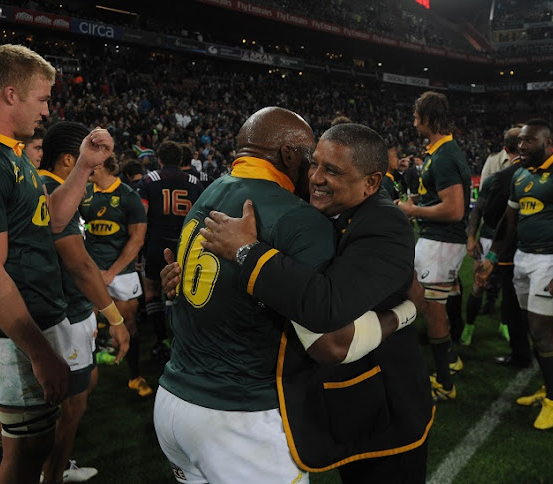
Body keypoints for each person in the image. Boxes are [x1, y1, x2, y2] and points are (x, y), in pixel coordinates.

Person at [153, 108, 416, 483]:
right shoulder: (297, 218)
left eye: (331, 169)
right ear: (291, 154)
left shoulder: (211, 191)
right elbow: (330, 344)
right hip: (240, 416)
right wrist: (406, 313)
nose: (315, 176)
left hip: (173, 400)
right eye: (313, 161)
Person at [0, 44, 113, 483]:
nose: (47, 110)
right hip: (11, 333)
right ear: (11, 94)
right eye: (42, 98)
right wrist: (39, 352)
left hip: (28, 320)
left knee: (35, 444)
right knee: (27, 451)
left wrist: (84, 166)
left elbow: (48, 219)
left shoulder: (5, 153)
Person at [476, 119, 553, 430]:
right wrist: (490, 258)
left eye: (528, 142)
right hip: (523, 258)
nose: (522, 147)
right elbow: (508, 224)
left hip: (551, 260)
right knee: (532, 328)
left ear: (547, 142)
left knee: (542, 330)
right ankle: (549, 388)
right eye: (520, 142)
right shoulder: (522, 174)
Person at [37, 121, 131, 484]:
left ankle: (51, 467)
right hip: (65, 314)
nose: (95, 170)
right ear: (67, 159)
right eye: (89, 161)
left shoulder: (42, 186)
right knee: (70, 408)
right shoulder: (54, 190)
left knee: (77, 389)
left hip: (62, 311)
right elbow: (79, 265)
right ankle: (52, 474)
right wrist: (115, 319)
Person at [396, 91, 471, 400]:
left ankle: (444, 383)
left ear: (426, 118)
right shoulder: (441, 151)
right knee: (432, 303)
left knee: (432, 310)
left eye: (416, 117)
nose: (414, 124)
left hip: (441, 242)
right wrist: (418, 201)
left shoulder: (444, 156)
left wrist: (413, 211)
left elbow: (454, 209)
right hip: (439, 241)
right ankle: (450, 359)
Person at [80, 155, 149, 396]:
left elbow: (137, 239)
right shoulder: (84, 193)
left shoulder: (129, 197)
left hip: (121, 273)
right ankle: (84, 378)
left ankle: (134, 376)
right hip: (91, 272)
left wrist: (111, 271)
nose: (87, 168)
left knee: (128, 324)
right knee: (84, 326)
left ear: (105, 166)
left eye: (92, 165)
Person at [138, 140, 203, 363]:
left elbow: (142, 215)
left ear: (160, 159)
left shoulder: (149, 180)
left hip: (156, 243)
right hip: (184, 246)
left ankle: (161, 341)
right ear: (182, 160)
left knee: (152, 290)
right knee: (180, 293)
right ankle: (179, 340)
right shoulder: (194, 181)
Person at [463, 127, 522, 347]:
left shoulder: (530, 172)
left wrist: (471, 237)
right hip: (491, 237)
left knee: (506, 285)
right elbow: (479, 208)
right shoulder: (497, 171)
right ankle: (469, 326)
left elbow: (477, 208)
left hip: (510, 238)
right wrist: (471, 237)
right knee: (483, 282)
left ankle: (503, 325)